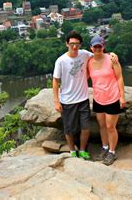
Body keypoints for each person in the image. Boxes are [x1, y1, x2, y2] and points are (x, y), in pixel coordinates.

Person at [53, 31, 92, 160]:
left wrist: (112, 55)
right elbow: (55, 80)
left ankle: (82, 150)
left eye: (77, 44)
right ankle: (72, 150)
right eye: (71, 44)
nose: (74, 47)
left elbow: (99, 56)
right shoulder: (61, 61)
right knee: (69, 129)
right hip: (68, 100)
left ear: (80, 44)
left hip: (83, 99)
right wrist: (56, 101)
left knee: (86, 128)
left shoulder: (85, 54)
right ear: (67, 44)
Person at [87, 35, 125, 165]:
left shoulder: (112, 60)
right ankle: (105, 147)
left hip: (112, 97)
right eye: (95, 46)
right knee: (102, 125)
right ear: (91, 48)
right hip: (98, 98)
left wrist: (122, 97)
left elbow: (119, 77)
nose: (97, 48)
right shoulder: (89, 62)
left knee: (110, 126)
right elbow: (83, 77)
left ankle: (112, 152)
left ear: (103, 47)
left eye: (100, 46)